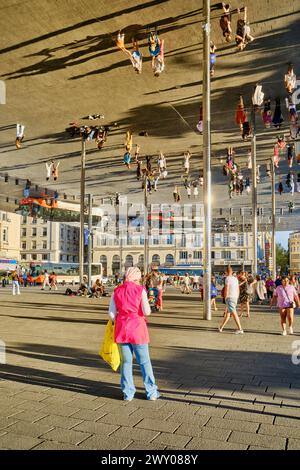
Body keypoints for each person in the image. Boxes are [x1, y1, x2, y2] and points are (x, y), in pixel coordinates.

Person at [108, 267, 159, 401]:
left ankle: (128, 393)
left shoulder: (116, 290)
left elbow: (111, 314)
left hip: (122, 329)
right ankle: (151, 392)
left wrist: (121, 317)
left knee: (126, 363)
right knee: (144, 362)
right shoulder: (140, 290)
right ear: (136, 278)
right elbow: (147, 312)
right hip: (138, 329)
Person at [219, 266, 244, 334]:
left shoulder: (227, 279)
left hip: (230, 297)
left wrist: (225, 297)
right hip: (235, 297)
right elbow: (238, 288)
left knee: (234, 313)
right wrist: (237, 296)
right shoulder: (235, 279)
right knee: (228, 313)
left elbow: (226, 288)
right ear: (232, 272)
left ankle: (240, 329)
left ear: (226, 272)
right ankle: (221, 327)